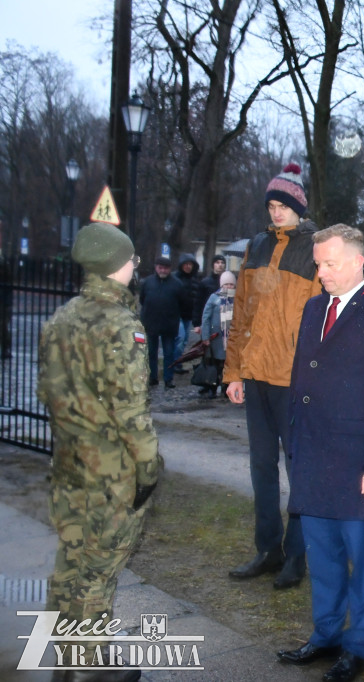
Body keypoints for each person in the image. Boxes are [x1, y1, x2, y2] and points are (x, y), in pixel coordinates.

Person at [276, 225, 364, 682]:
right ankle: (327, 635)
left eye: (330, 263)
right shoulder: (315, 308)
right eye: (318, 263)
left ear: (357, 262)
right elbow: (301, 377)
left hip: (358, 464)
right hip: (313, 454)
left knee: (363, 562)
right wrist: (293, 442)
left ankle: (357, 647)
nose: (321, 273)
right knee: (324, 556)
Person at [37, 223, 161, 682]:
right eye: (130, 260)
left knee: (70, 560)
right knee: (99, 569)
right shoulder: (121, 326)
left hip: (68, 465)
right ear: (116, 266)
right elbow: (131, 410)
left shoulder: (60, 319)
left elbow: (47, 392)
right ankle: (87, 668)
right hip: (110, 472)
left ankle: (67, 659)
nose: (135, 267)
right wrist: (148, 466)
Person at [223, 163, 320, 589]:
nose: (277, 212)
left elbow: (322, 323)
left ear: (299, 207)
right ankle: (268, 548)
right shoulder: (256, 247)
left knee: (299, 469)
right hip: (256, 376)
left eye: (284, 205)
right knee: (261, 466)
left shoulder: (316, 249)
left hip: (295, 381)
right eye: (272, 205)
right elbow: (242, 314)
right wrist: (234, 372)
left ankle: (297, 556)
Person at [139, 256, 184, 388]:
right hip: (150, 323)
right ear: (156, 267)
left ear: (170, 269)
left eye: (165, 268)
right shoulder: (147, 282)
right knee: (151, 352)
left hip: (169, 324)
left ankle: (168, 378)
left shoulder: (177, 284)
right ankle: (153, 377)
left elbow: (183, 303)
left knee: (169, 353)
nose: (163, 270)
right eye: (160, 267)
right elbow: (142, 300)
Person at [199, 270, 236, 398]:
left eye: (231, 284)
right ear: (222, 284)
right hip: (216, 338)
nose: (229, 287)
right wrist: (205, 336)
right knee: (214, 364)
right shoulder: (214, 298)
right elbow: (206, 318)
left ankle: (226, 388)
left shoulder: (237, 299)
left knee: (229, 364)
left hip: (231, 339)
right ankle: (212, 387)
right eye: (226, 284)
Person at [173, 253, 201, 370]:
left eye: (190, 264)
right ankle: (175, 363)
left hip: (188, 315)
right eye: (186, 264)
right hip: (176, 314)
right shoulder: (175, 278)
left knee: (184, 341)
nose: (188, 267)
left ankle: (178, 363)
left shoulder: (195, 280)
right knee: (180, 338)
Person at [191, 253, 226, 333]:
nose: (220, 265)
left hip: (225, 318)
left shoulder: (229, 282)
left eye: (222, 262)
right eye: (217, 262)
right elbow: (198, 303)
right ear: (213, 265)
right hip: (208, 319)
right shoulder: (205, 282)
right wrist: (196, 324)